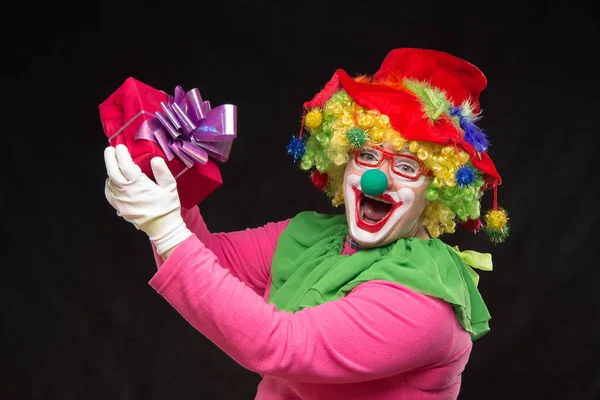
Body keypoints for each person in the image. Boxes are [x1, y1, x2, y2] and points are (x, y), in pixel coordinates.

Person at [103, 48, 509, 399]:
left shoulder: (426, 303)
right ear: (342, 159)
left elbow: (283, 345)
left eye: (405, 166)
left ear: (437, 191)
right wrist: (170, 188)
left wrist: (167, 227)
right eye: (366, 155)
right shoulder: (312, 237)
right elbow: (207, 260)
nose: (376, 179)